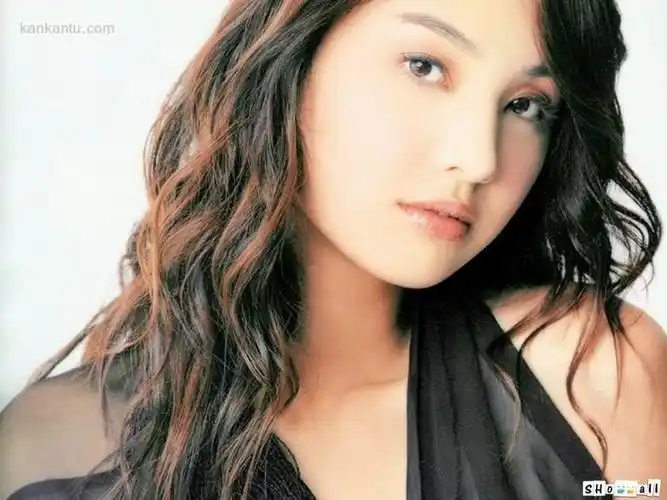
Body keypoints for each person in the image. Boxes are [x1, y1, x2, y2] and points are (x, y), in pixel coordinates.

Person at [1, 0, 666, 498]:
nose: (477, 159)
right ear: (290, 56)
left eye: (526, 105)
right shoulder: (53, 450)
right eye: (424, 66)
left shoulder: (590, 379)